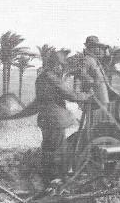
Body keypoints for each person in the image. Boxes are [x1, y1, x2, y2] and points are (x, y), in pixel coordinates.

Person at [29, 50, 88, 184]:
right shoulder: (51, 78)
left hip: (45, 119)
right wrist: (86, 96)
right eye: (61, 65)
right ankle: (56, 182)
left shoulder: (41, 78)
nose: (62, 68)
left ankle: (48, 181)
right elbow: (71, 95)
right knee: (58, 151)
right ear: (55, 65)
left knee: (48, 149)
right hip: (55, 120)